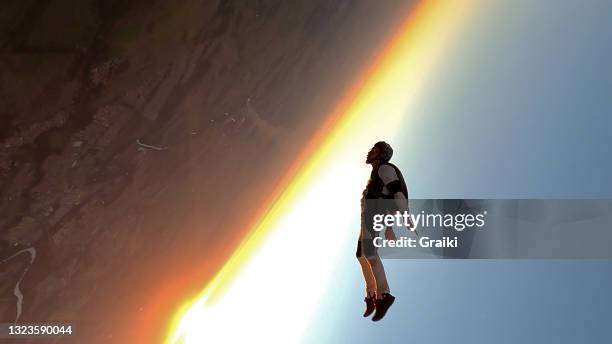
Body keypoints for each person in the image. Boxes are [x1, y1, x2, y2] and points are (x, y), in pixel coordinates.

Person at [357, 141, 411, 321]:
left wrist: (404, 216)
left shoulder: (385, 169)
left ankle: (384, 295)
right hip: (368, 216)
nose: (369, 151)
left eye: (374, 150)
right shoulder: (377, 171)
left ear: (381, 154)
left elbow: (397, 193)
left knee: (370, 254)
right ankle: (372, 294)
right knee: (361, 255)